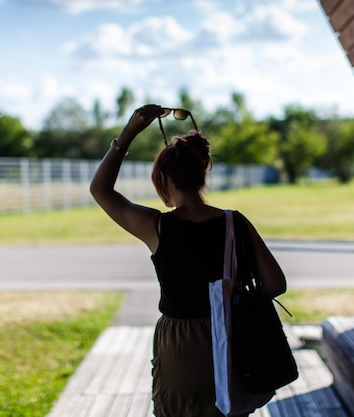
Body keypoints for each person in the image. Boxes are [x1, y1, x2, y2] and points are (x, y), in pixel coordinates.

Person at [90, 104, 287, 417]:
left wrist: (128, 133)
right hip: (232, 338)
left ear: (164, 179)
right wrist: (233, 301)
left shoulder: (156, 227)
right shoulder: (235, 223)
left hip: (179, 346)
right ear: (202, 173)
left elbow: (100, 189)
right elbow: (276, 284)